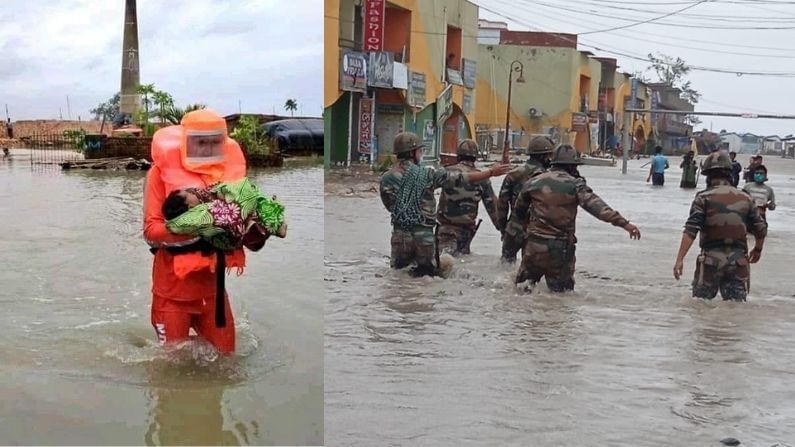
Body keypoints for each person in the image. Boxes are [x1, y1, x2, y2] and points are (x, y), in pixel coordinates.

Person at [143, 109, 269, 355]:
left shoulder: (230, 181)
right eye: (202, 142)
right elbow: (151, 231)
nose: (209, 148)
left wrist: (259, 229)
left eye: (215, 142)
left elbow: (249, 237)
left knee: (227, 360)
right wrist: (204, 225)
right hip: (172, 291)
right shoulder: (159, 174)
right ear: (185, 142)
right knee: (171, 367)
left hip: (213, 290)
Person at [512, 144, 641, 292]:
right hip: (560, 249)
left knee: (522, 291)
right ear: (572, 167)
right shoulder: (575, 185)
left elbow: (519, 212)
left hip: (534, 246)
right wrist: (625, 224)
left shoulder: (533, 182)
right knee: (561, 297)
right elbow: (597, 208)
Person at [379, 132, 511, 277]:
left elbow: (390, 206)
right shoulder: (427, 175)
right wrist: (491, 172)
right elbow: (463, 179)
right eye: (420, 151)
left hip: (401, 235)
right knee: (427, 279)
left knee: (398, 277)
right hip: (424, 237)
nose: (421, 155)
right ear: (412, 152)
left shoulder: (386, 178)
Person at [673, 152, 767, 301]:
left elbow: (691, 230)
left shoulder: (703, 197)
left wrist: (679, 259)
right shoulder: (746, 198)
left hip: (710, 262)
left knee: (701, 308)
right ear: (730, 174)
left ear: (708, 176)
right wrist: (758, 249)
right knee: (736, 310)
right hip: (739, 262)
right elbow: (760, 229)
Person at [162, 177, 287, 251]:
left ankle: (270, 223)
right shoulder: (200, 214)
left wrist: (222, 191)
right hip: (235, 227)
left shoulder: (201, 198)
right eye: (188, 193)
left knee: (249, 201)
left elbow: (218, 189)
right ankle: (273, 222)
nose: (192, 190)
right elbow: (226, 215)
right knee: (246, 197)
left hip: (237, 225)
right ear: (190, 206)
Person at [436, 139, 500, 256]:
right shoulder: (482, 178)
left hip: (445, 230)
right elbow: (493, 209)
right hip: (466, 232)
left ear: (458, 155)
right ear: (475, 157)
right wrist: (504, 230)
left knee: (444, 263)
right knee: (461, 264)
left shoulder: (446, 172)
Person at [497, 135, 555, 263]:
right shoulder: (548, 177)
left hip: (514, 227)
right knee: (530, 270)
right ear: (544, 156)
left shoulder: (513, 174)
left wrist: (503, 228)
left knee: (506, 264)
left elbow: (501, 204)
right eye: (549, 155)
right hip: (536, 230)